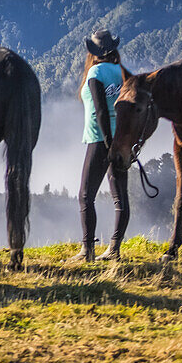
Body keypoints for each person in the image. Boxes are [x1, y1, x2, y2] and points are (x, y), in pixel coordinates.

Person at [71, 28, 129, 262]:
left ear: (94, 52)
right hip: (122, 139)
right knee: (120, 197)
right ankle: (114, 249)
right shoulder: (122, 72)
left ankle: (88, 250)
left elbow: (100, 109)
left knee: (86, 196)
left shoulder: (95, 71)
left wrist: (106, 142)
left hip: (99, 139)